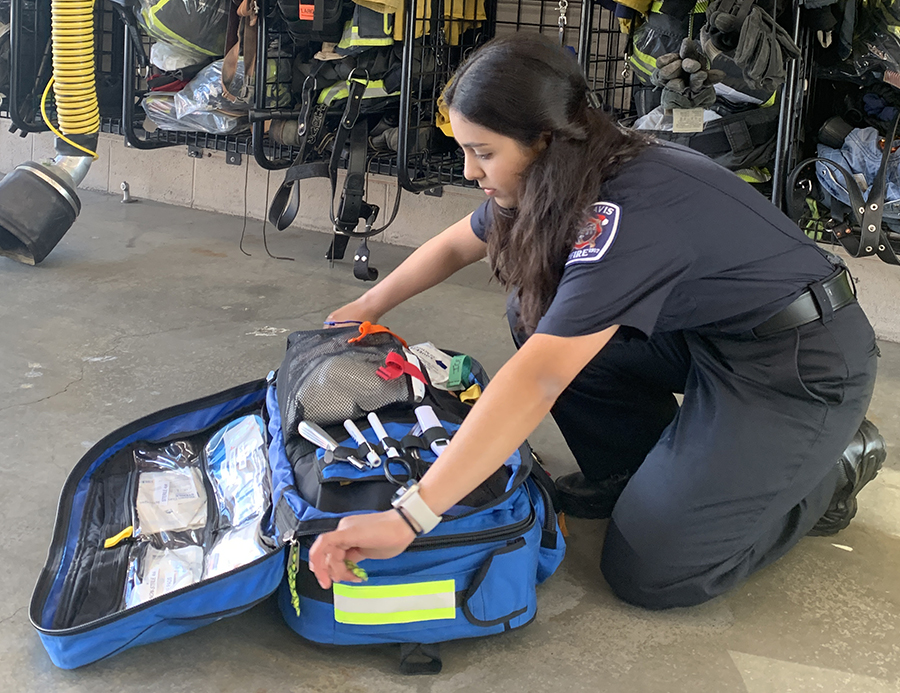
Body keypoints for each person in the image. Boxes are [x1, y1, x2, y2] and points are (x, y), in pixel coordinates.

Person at [307, 32, 886, 609]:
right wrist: (368, 306)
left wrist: (411, 516)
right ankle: (632, 473)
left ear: (543, 139)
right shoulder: (576, 162)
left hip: (797, 366)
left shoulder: (628, 210)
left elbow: (538, 378)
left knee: (654, 572)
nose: (468, 171)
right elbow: (465, 241)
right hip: (710, 337)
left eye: (483, 152)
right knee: (533, 314)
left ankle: (830, 468)